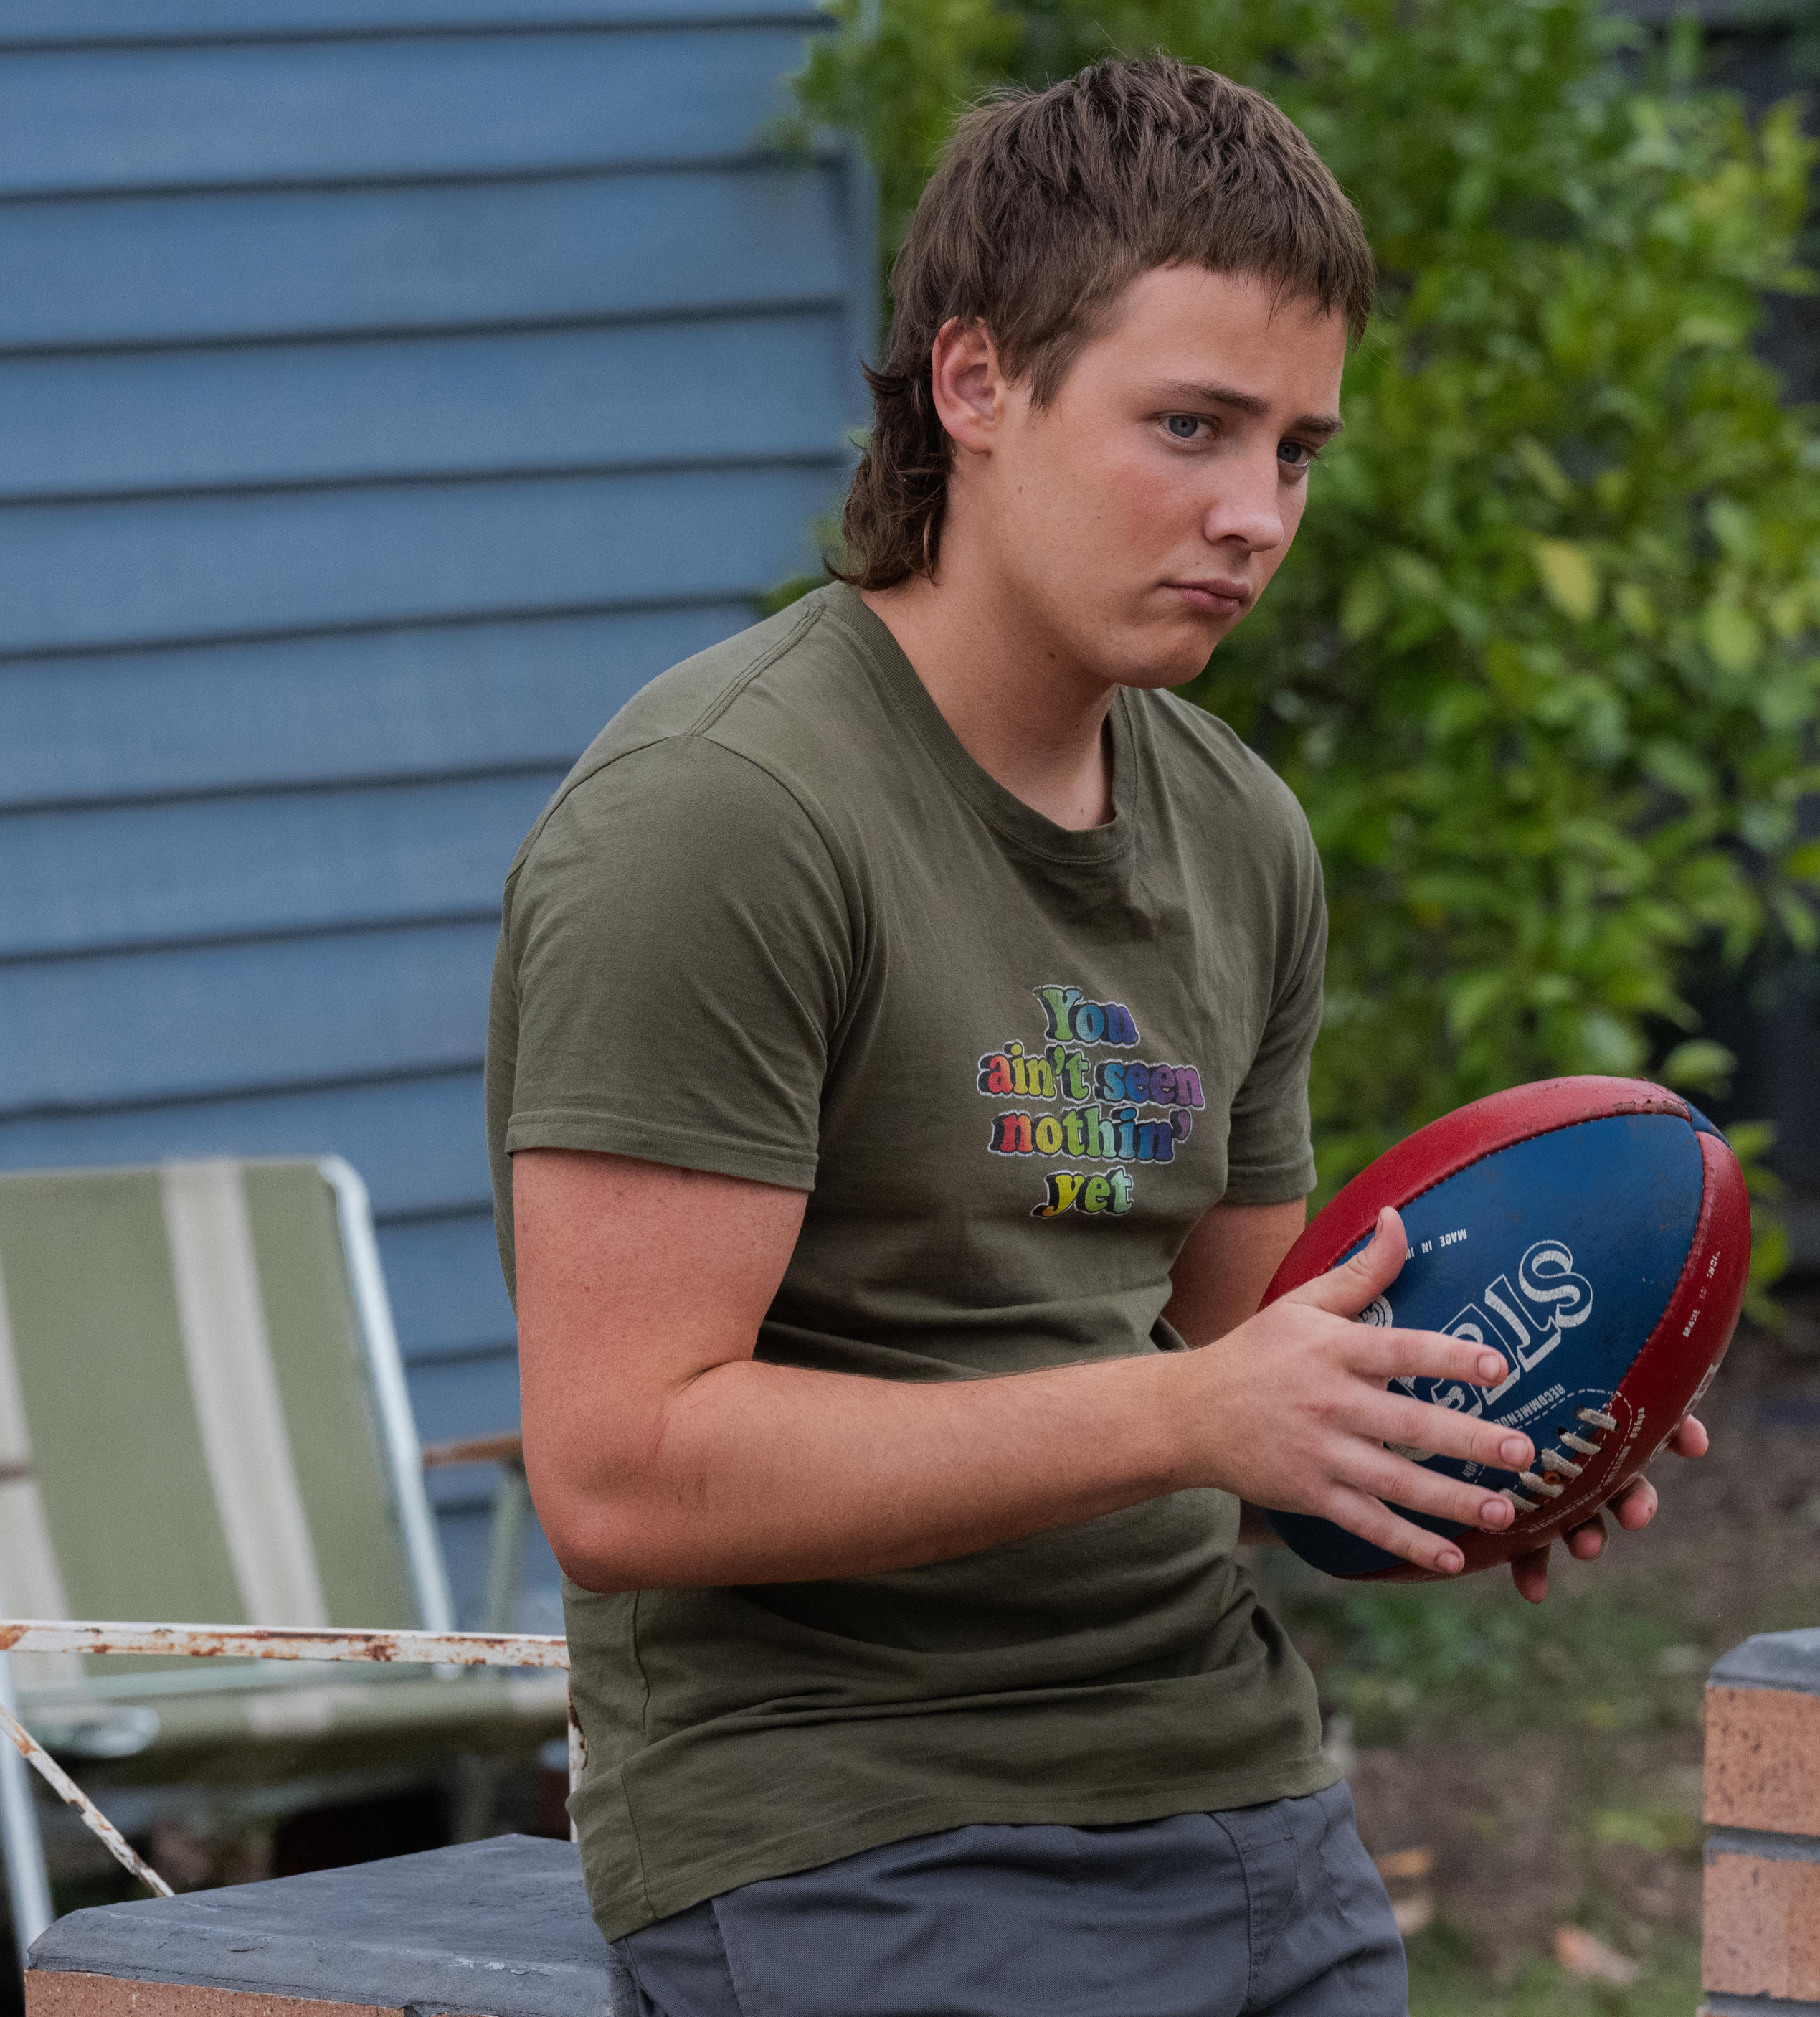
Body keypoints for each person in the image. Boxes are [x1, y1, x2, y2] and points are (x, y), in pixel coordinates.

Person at [487, 54, 1709, 2017]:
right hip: (852, 1837)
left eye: (1296, 451)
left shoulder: (1238, 829)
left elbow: (1253, 1382)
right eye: (1191, 426)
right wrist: (1191, 1417)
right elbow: (623, 1472)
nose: (1253, 514)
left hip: (1240, 1793)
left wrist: (1472, 1441)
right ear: (978, 384)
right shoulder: (722, 816)